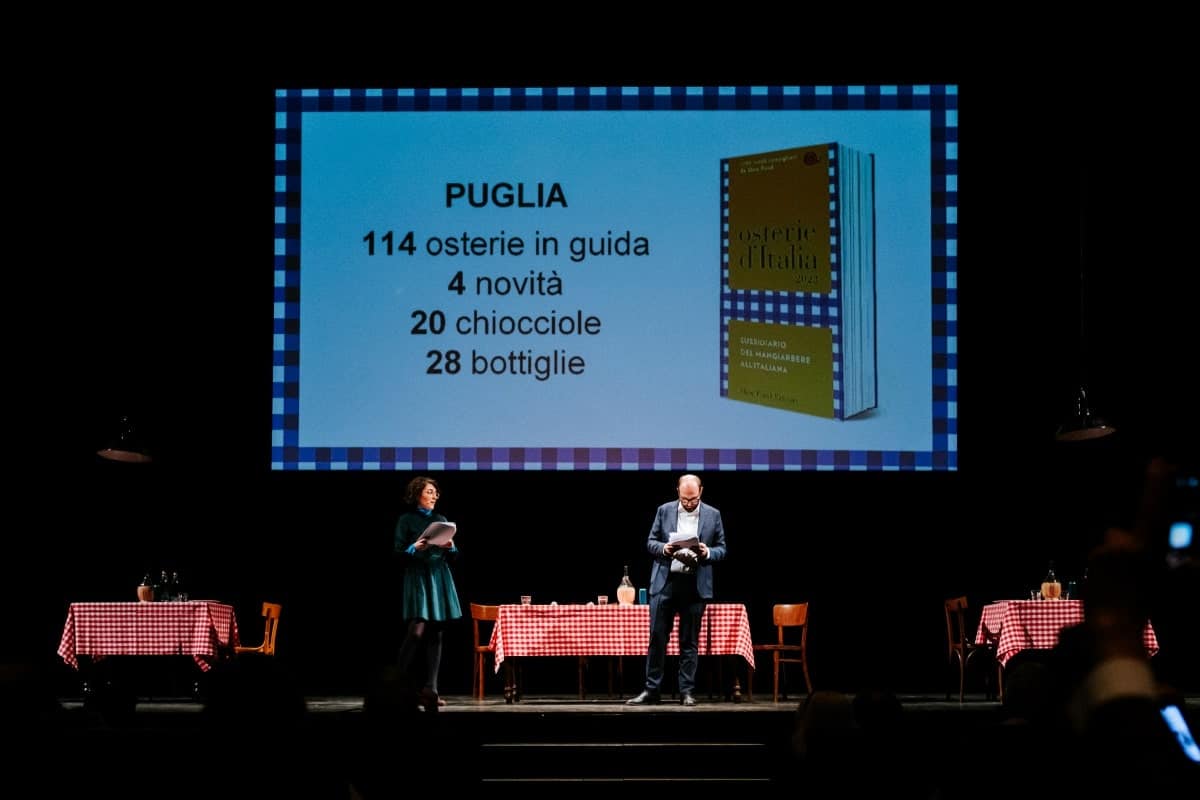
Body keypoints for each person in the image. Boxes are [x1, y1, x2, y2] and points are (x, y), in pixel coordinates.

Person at [627, 474, 726, 706]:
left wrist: (707, 552)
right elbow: (651, 542)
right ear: (677, 492)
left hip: (695, 585)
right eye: (684, 499)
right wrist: (665, 548)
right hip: (665, 583)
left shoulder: (713, 514)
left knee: (689, 641)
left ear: (701, 491)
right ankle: (651, 690)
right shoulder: (664, 510)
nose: (689, 503)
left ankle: (687, 691)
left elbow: (722, 548)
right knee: (657, 639)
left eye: (693, 499)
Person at [393, 475, 462, 711]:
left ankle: (431, 690)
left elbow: (454, 555)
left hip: (438, 576)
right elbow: (397, 552)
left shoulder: (440, 519)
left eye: (435, 492)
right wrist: (413, 547)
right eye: (429, 492)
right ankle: (395, 685)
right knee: (416, 631)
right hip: (418, 577)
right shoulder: (406, 520)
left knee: (436, 632)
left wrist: (451, 546)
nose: (434, 496)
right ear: (417, 494)